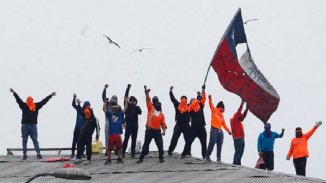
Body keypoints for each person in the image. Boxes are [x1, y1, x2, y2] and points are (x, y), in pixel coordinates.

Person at [9, 88, 56, 160]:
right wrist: (14, 93)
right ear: (27, 100)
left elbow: (43, 101)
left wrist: (50, 96)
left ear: (32, 100)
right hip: (25, 125)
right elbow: (18, 100)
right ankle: (25, 154)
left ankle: (38, 154)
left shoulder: (36, 106)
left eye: (31, 99)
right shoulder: (24, 105)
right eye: (29, 100)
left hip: (33, 126)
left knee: (35, 140)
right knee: (24, 140)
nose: (30, 101)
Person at [137, 85, 167, 163]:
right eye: (155, 101)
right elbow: (148, 100)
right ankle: (141, 158)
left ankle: (161, 157)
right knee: (146, 145)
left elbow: (163, 123)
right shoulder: (151, 108)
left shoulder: (161, 114)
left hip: (157, 131)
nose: (157, 103)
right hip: (149, 130)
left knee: (160, 145)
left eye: (158, 102)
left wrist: (164, 131)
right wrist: (146, 93)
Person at [181, 85, 207, 159]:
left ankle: (204, 157)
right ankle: (183, 154)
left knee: (204, 144)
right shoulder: (190, 107)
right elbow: (193, 104)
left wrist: (203, 90)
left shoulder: (200, 105)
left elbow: (203, 98)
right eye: (192, 100)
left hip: (202, 128)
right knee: (188, 141)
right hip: (194, 128)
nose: (193, 100)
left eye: (194, 99)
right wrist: (197, 99)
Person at [73, 95, 99, 164]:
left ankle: (88, 159)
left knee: (88, 146)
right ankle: (78, 158)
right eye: (85, 107)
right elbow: (79, 111)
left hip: (88, 134)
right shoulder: (84, 114)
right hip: (82, 133)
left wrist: (97, 134)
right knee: (79, 143)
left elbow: (97, 126)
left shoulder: (93, 118)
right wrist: (78, 105)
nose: (87, 111)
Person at [205, 95, 232, 162]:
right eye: (223, 109)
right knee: (212, 143)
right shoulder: (214, 110)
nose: (223, 111)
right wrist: (210, 98)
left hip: (220, 131)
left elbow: (224, 124)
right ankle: (207, 156)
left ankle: (218, 158)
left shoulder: (222, 115)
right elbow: (211, 104)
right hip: (214, 129)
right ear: (221, 108)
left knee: (220, 145)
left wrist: (228, 131)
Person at [167, 86, 190, 156]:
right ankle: (188, 152)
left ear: (180, 99)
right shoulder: (189, 106)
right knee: (188, 140)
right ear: (186, 100)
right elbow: (196, 103)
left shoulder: (178, 104)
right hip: (186, 125)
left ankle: (170, 150)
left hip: (179, 124)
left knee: (174, 138)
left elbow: (173, 99)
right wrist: (199, 96)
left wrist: (170, 91)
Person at [122, 84, 142, 158]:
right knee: (126, 138)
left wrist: (135, 105)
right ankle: (123, 152)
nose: (133, 101)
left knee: (134, 139)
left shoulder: (137, 107)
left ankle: (132, 153)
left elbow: (140, 112)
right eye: (131, 100)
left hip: (135, 125)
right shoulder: (127, 106)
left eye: (134, 101)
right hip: (129, 124)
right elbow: (125, 97)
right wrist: (128, 88)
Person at [230, 99, 249, 165]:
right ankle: (235, 164)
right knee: (238, 152)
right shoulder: (234, 120)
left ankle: (238, 163)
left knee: (240, 152)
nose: (241, 117)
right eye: (239, 116)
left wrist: (246, 109)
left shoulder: (238, 121)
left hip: (239, 138)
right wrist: (242, 104)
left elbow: (243, 117)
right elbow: (239, 112)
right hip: (238, 138)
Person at [70, 94, 84, 158]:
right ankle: (72, 153)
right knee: (74, 140)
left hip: (82, 129)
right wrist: (74, 98)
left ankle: (81, 153)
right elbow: (73, 105)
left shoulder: (86, 112)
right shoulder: (79, 108)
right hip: (77, 128)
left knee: (81, 141)